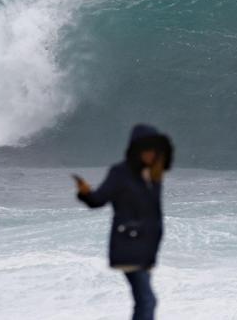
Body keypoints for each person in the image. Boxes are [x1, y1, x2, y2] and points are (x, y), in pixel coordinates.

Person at [75, 124, 175, 320]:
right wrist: (85, 193)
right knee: (148, 300)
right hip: (128, 245)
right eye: (147, 148)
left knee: (144, 299)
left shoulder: (152, 176)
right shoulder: (120, 173)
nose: (151, 153)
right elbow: (99, 200)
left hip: (145, 248)